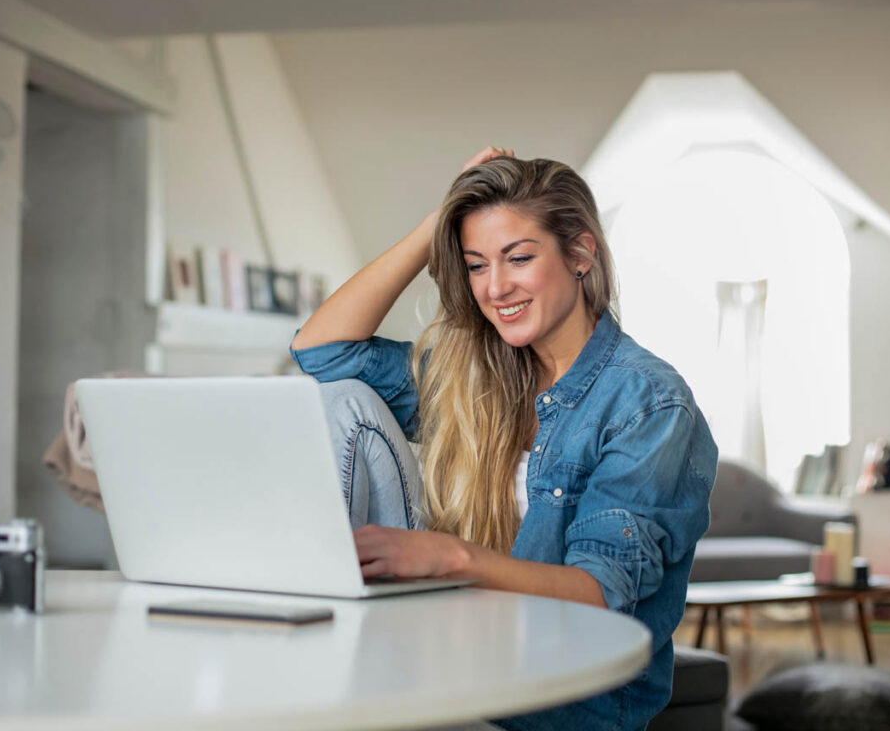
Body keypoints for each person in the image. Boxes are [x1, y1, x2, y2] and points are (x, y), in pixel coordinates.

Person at [290, 147, 718, 731]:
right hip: (451, 667)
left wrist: (451, 558)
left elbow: (601, 592)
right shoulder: (474, 374)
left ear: (581, 254)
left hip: (553, 709)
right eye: (475, 264)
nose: (495, 288)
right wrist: (437, 221)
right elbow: (323, 353)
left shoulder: (647, 402)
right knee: (342, 400)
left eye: (517, 258)